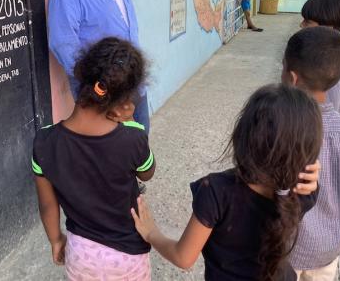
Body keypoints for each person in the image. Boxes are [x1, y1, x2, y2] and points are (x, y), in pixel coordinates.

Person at [131, 84, 323, 281]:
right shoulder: (302, 194)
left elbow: (184, 258)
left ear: (243, 134)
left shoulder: (217, 191)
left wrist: (151, 233)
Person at [32, 37, 156, 280]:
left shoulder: (44, 142)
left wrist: (56, 240)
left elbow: (47, 204)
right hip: (128, 256)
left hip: (81, 254)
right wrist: (131, 123)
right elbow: (147, 173)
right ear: (124, 102)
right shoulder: (133, 138)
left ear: (81, 74)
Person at [282, 27, 340, 281]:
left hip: (286, 251)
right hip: (329, 251)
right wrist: (335, 231)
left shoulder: (281, 128)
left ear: (292, 77)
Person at [47, 0, 151, 132]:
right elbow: (62, 44)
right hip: (105, 99)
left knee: (140, 145)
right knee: (110, 155)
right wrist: (100, 88)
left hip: (135, 87)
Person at [300, 0, 340, 114]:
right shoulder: (334, 55)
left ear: (328, 27)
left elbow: (328, 114)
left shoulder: (326, 66)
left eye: (307, 22)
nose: (301, 25)